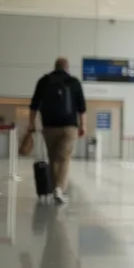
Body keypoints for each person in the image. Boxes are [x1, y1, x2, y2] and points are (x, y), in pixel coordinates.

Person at [28, 57, 86, 204]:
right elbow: (82, 108)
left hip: (49, 126)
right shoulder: (74, 82)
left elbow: (34, 105)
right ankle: (59, 189)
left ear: (55, 66)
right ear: (67, 67)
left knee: (53, 158)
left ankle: (54, 188)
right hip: (69, 127)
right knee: (65, 158)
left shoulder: (44, 81)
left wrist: (31, 124)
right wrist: (83, 125)